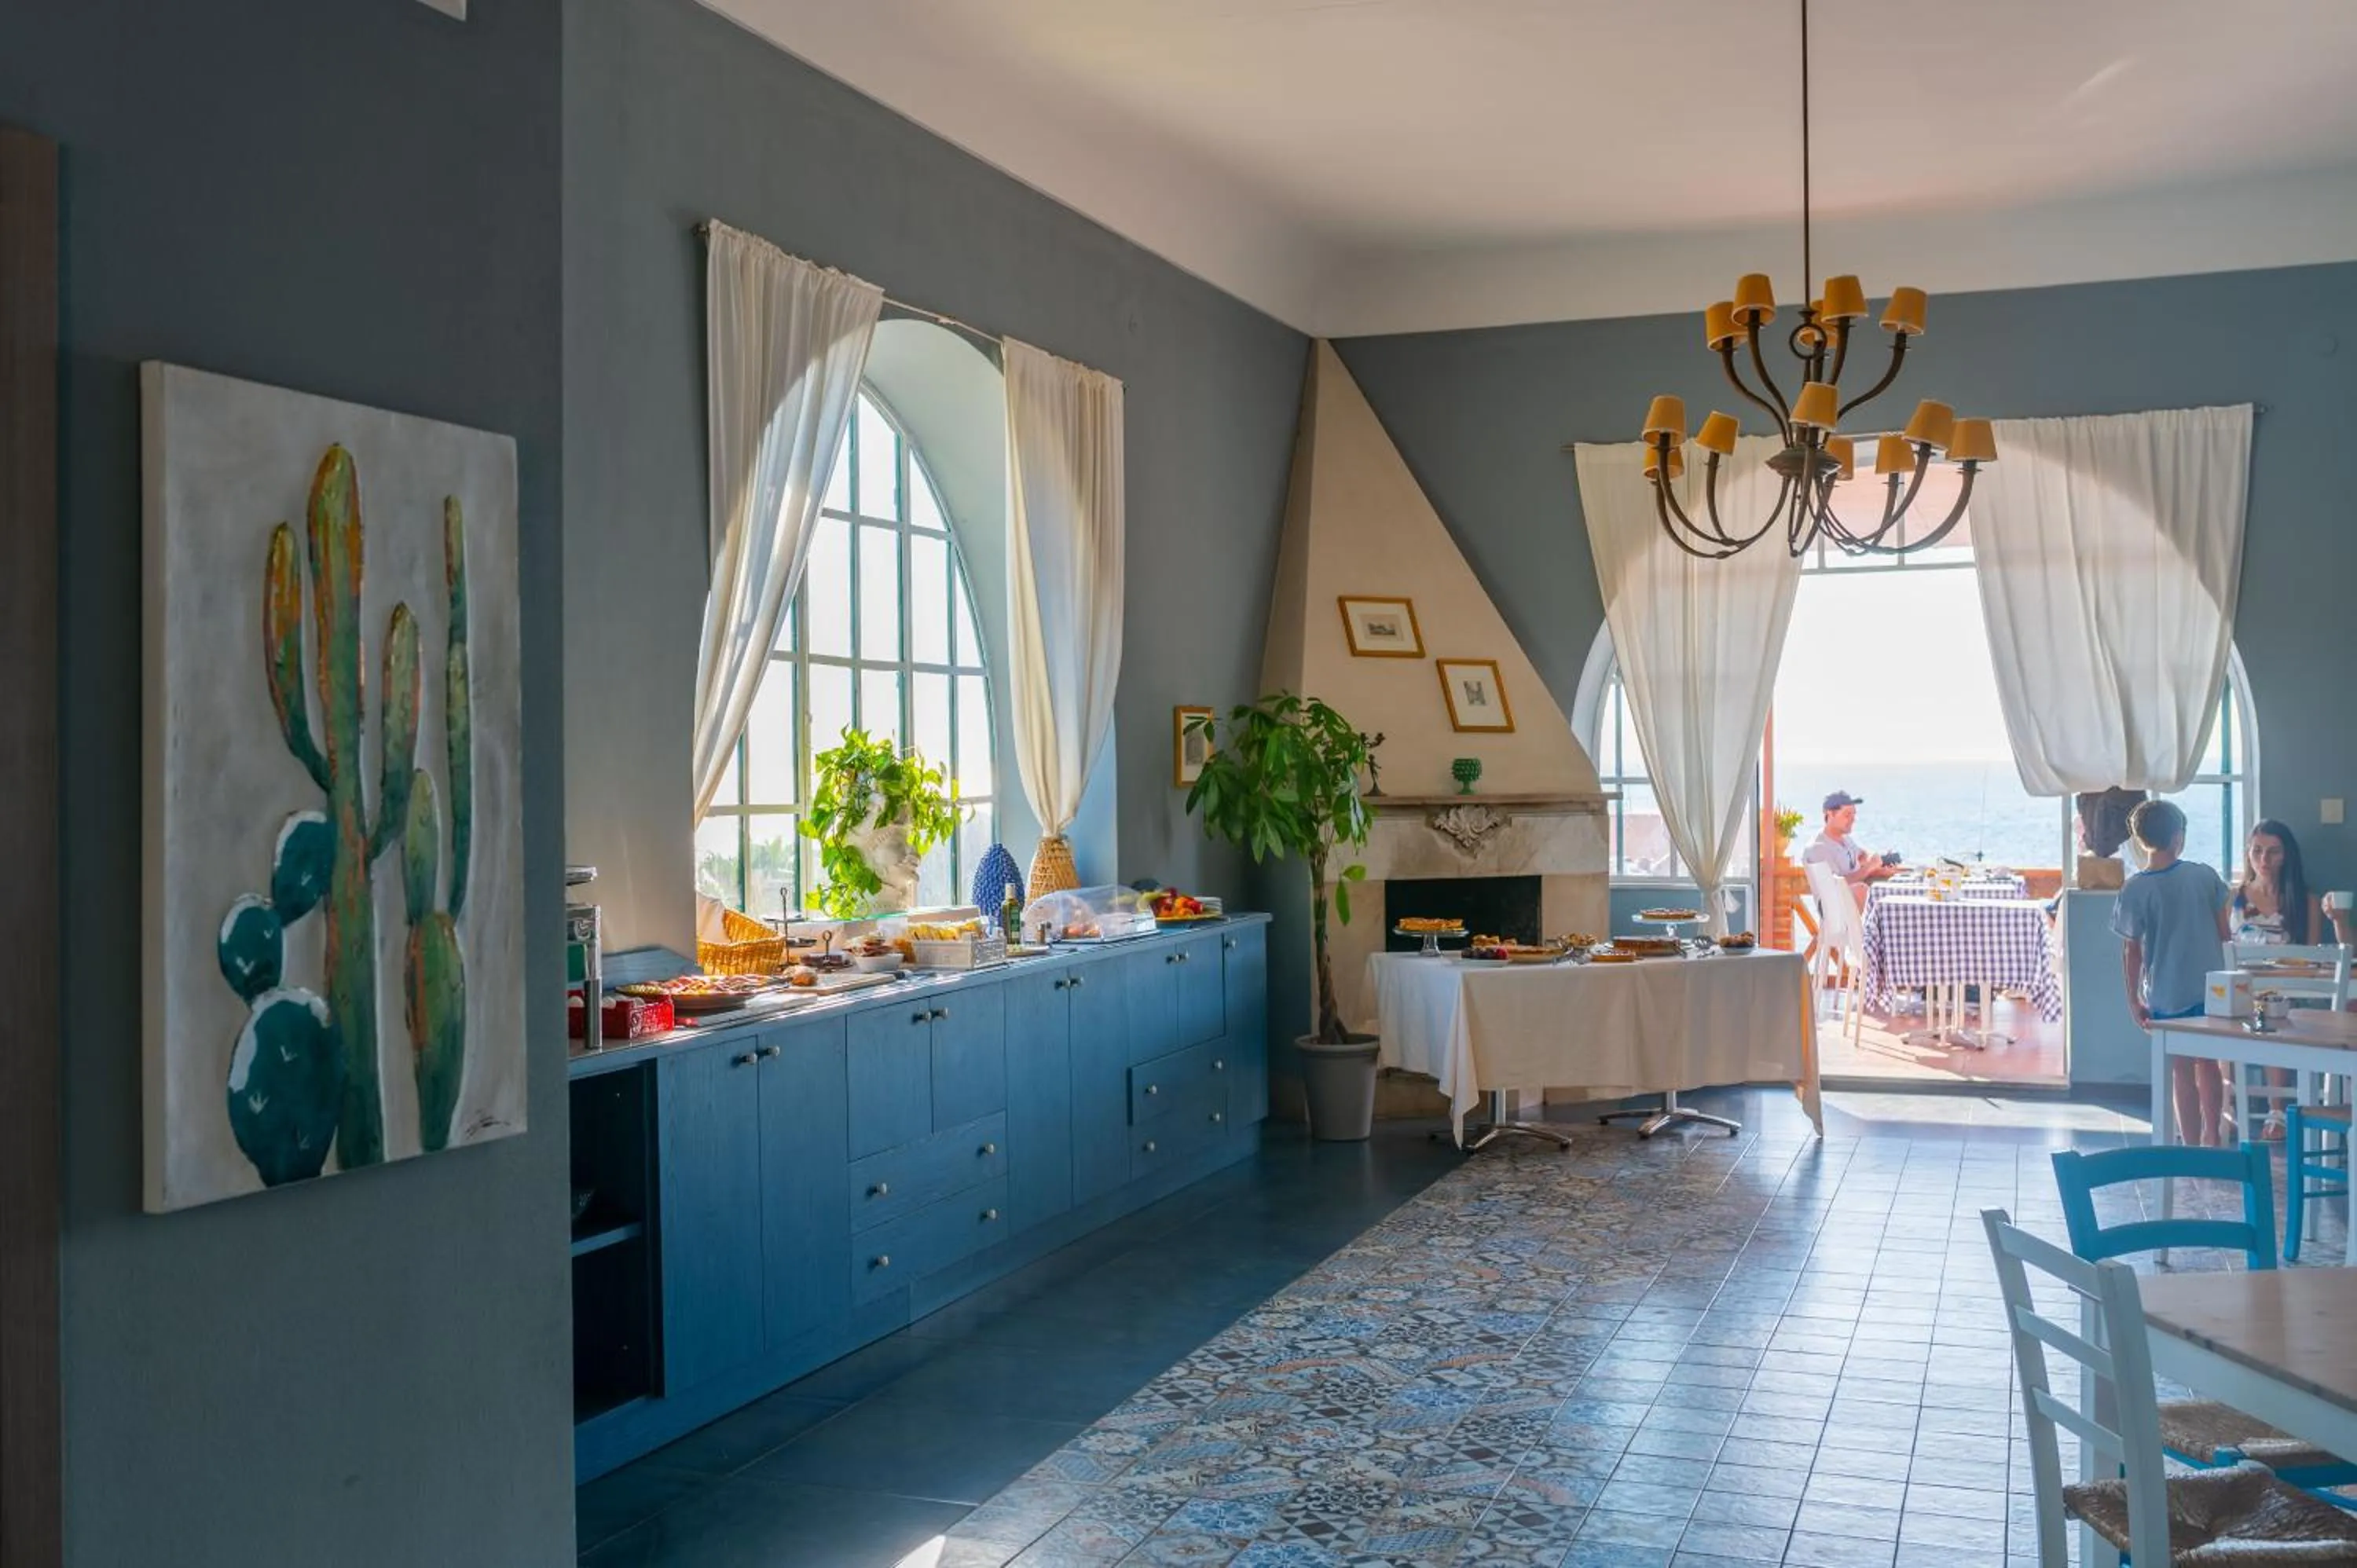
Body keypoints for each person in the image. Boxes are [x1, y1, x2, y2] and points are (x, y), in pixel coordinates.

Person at [2111, 799, 2231, 1146]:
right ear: (2179, 836)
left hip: (2166, 990)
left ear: (2139, 839)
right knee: (2208, 1064)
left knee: (2180, 1068)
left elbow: (2131, 950)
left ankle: (2190, 1143)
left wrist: (2133, 998)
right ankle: (2213, 1137)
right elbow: (2225, 933)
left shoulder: (2134, 889)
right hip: (2212, 990)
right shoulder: (2205, 876)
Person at [2229, 819, 2344, 1138]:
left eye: (2273, 852)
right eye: (2258, 851)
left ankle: (2276, 1109)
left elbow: (2307, 957)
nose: (2264, 860)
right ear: (2248, 854)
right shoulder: (2234, 896)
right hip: (2239, 986)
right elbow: (2222, 947)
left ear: (2287, 855)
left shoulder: (2304, 900)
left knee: (2270, 1010)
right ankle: (2226, 1101)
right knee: (2238, 1006)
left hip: (2284, 989)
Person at [1802, 790, 1897, 908]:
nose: (1853, 819)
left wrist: (1876, 870)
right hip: (1839, 915)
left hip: (1856, 908)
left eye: (1854, 815)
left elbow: (1861, 859)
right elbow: (1836, 886)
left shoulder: (1846, 841)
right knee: (1861, 890)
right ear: (1830, 814)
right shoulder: (1817, 848)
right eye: (1847, 815)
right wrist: (1868, 868)